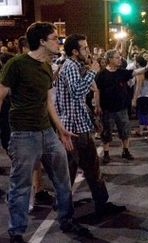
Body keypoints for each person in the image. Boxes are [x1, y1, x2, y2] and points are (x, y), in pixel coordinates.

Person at [0, 22, 91, 243]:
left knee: (62, 179)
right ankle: (17, 233)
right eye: (54, 38)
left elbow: (49, 102)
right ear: (42, 41)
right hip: (23, 134)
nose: (58, 42)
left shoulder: (47, 66)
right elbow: (0, 95)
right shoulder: (16, 64)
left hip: (47, 132)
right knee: (20, 185)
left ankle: (67, 219)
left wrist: (61, 130)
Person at [56, 33, 126, 220]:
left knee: (86, 168)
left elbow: (76, 99)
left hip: (78, 126)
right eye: (84, 48)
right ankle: (72, 211)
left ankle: (75, 207)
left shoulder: (76, 66)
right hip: (74, 129)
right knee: (86, 169)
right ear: (74, 51)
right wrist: (93, 71)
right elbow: (77, 91)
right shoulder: (70, 66)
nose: (88, 51)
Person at [95, 49, 148, 164]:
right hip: (107, 109)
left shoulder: (122, 72)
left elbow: (135, 72)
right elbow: (97, 91)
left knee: (125, 131)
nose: (120, 59)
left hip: (121, 108)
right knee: (106, 132)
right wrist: (97, 105)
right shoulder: (101, 75)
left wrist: (146, 68)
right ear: (109, 60)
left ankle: (125, 151)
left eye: (119, 57)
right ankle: (106, 154)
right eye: (117, 57)